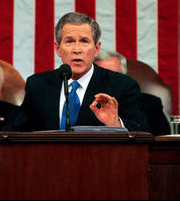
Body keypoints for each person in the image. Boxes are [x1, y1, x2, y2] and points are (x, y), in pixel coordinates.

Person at [20, 12, 150, 132]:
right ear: (58, 48)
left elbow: (143, 131)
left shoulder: (122, 85)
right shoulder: (37, 84)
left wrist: (115, 124)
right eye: (69, 41)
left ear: (96, 49)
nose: (77, 49)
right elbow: (18, 130)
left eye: (84, 41)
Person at [94, 49, 171, 135]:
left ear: (125, 76)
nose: (110, 79)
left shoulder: (150, 104)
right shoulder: (82, 100)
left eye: (115, 74)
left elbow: (163, 140)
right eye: (103, 75)